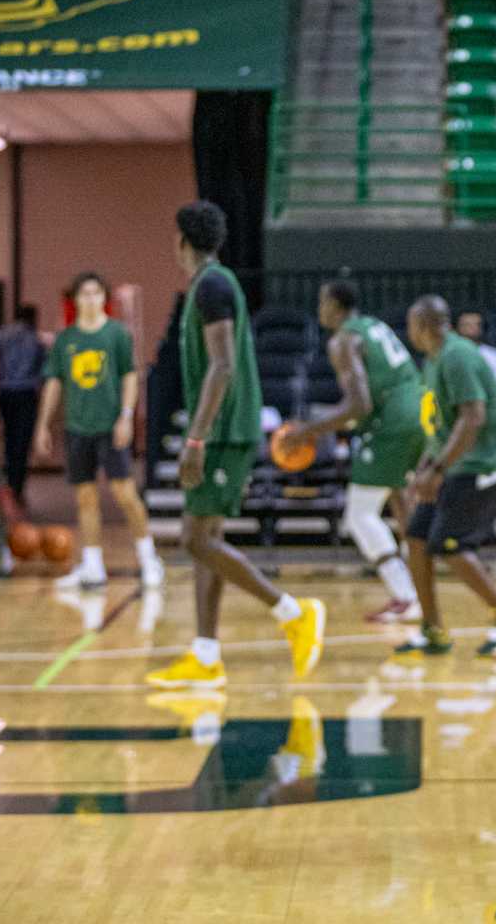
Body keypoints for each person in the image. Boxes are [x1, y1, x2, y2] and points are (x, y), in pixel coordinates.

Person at [145, 201, 325, 689]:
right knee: (207, 542)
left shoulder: (214, 286)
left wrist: (196, 436)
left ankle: (292, 611)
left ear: (182, 240)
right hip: (223, 430)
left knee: (195, 539)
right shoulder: (211, 284)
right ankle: (206, 655)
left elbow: (222, 365)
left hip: (223, 433)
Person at [392, 294, 496, 658]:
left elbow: (473, 418)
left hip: (489, 462)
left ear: (422, 326)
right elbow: (441, 429)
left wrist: (437, 471)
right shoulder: (434, 360)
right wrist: (423, 471)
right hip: (459, 463)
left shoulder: (458, 356)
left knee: (449, 543)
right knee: (417, 537)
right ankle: (433, 629)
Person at [284, 281, 426, 624]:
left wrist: (307, 431)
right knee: (400, 500)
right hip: (420, 413)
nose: (319, 310)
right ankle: (421, 588)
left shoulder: (344, 340)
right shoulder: (375, 326)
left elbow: (359, 404)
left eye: (321, 302)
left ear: (334, 305)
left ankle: (406, 596)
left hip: (390, 423)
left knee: (360, 516)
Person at [34, 272, 165, 589]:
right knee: (85, 498)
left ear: (104, 299)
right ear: (75, 299)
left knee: (125, 494)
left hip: (110, 425)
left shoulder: (117, 335)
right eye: (85, 293)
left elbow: (130, 377)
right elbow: (54, 383)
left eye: (96, 293)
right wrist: (42, 425)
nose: (91, 299)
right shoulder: (65, 340)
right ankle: (92, 566)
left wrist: (126, 416)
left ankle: (149, 559)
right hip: (78, 427)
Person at [0, 304, 46, 510]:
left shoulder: (4, 334)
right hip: (26, 393)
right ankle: (16, 487)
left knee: (9, 437)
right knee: (22, 442)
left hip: (6, 391)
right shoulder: (35, 339)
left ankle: (7, 485)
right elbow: (44, 368)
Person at [457, 309, 496, 393]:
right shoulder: (448, 355)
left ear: (482, 329)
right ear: (458, 329)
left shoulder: (495, 356)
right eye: (466, 325)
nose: (471, 329)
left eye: (476, 325)